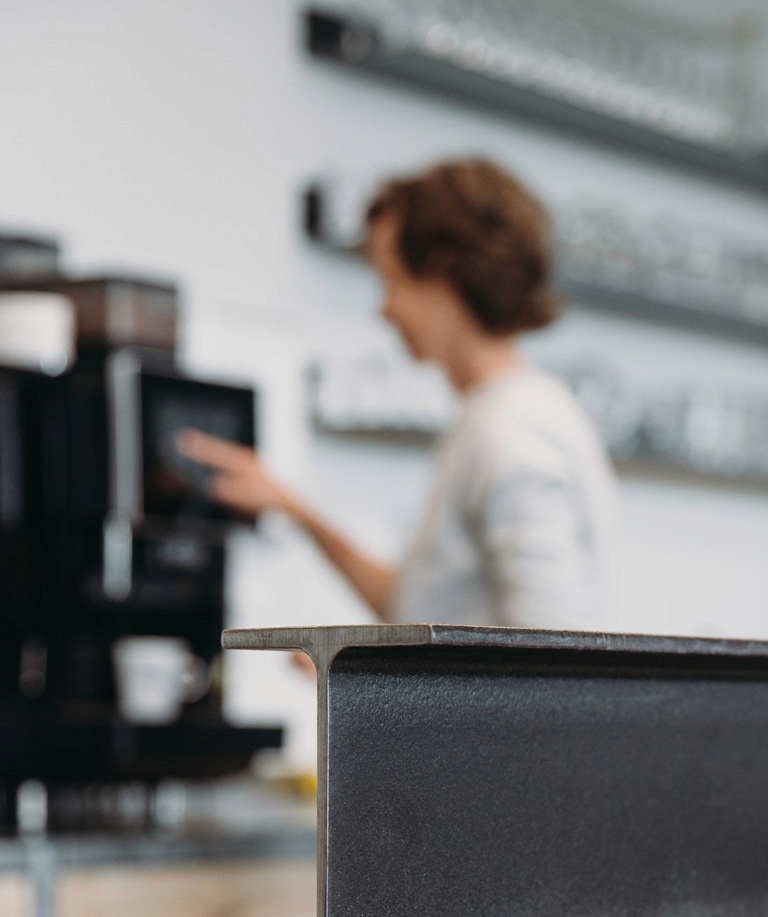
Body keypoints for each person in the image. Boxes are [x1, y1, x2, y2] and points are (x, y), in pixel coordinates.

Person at [181, 158, 614, 628]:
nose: (384, 309)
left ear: (444, 274)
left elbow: (547, 647)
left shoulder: (509, 432)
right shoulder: (502, 414)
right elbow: (418, 610)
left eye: (392, 281)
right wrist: (292, 508)